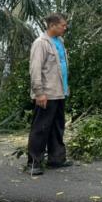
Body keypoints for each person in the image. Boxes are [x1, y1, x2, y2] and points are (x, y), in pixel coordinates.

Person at [27, 13, 73, 175]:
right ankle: (33, 163)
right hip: (46, 93)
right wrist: (39, 93)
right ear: (52, 25)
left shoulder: (59, 42)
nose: (65, 28)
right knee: (41, 128)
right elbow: (35, 69)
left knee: (57, 127)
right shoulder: (40, 44)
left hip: (59, 92)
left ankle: (56, 159)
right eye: (62, 25)